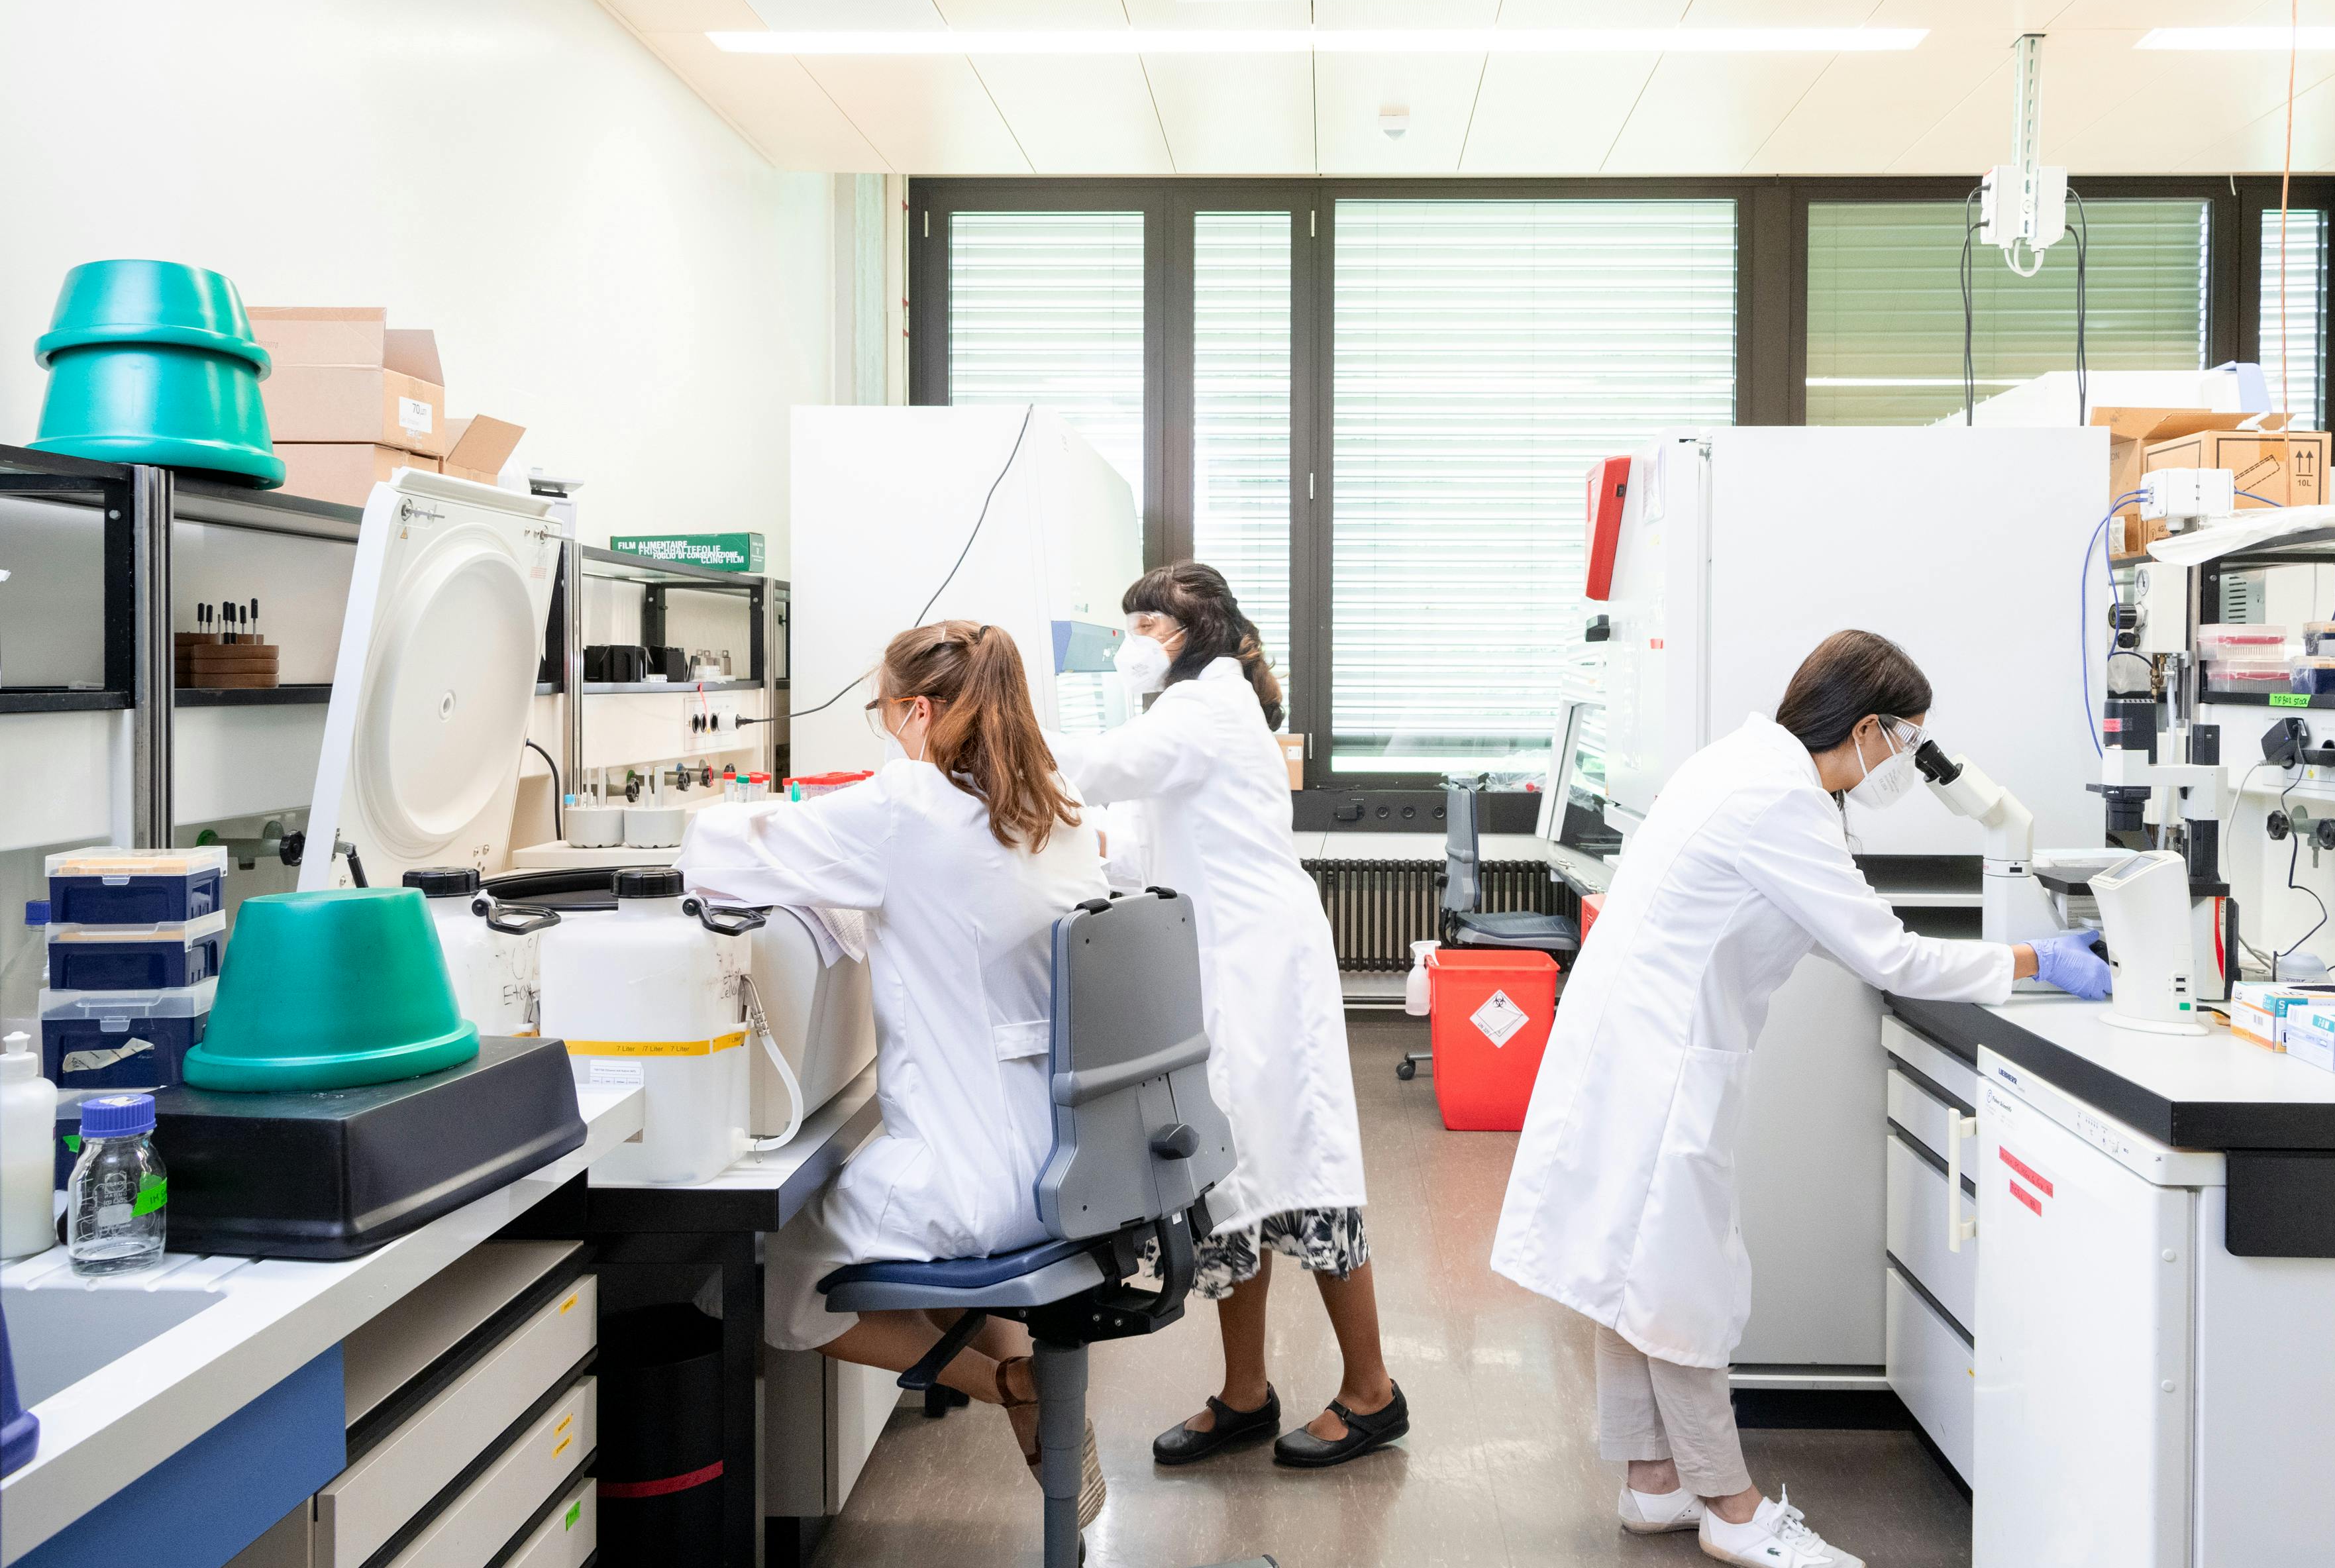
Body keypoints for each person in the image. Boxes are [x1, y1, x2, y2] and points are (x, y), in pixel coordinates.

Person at [1490, 629, 2108, 1568]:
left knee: (1631, 1276)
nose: (1902, 763)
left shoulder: (1746, 763)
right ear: (1866, 727)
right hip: (1656, 1067)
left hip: (1630, 1048)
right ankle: (1732, 1512)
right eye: (1903, 742)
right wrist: (2035, 961)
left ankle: (1653, 1484)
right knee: (1676, 1291)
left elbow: (1824, 923)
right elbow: (1885, 952)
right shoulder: (1781, 800)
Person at [677, 620, 1112, 1525]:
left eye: (884, 714)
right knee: (944, 1236)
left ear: (916, 710)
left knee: (782, 1290)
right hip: (1075, 1167)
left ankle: (1013, 1387)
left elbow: (720, 854)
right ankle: (1032, 1386)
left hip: (970, 1178)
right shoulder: (1055, 805)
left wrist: (747, 807)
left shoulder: (906, 806)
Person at [1061, 562, 1406, 1470]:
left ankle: (1373, 1393)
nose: (1131, 644)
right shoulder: (1188, 713)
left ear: (1192, 634)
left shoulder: (1203, 708)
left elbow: (1098, 770)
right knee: (1229, 1177)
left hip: (1265, 973)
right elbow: (1138, 837)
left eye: (1144, 627)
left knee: (1306, 1167)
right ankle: (1247, 1394)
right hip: (1228, 967)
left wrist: (993, 737)